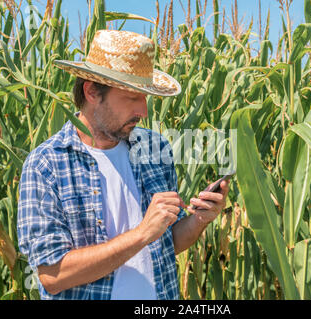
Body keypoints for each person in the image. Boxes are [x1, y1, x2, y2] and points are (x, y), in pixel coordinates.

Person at [17, 30, 229, 300]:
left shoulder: (155, 149)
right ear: (92, 91)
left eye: (145, 98)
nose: (144, 111)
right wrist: (141, 233)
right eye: (132, 98)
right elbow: (52, 276)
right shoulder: (46, 165)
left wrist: (199, 220)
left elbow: (166, 243)